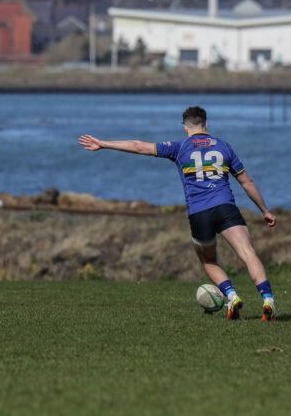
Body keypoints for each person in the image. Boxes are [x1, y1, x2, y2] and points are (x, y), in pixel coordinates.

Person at [79, 106, 278, 320]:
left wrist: (104, 144)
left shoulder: (179, 147)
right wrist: (265, 211)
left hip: (199, 213)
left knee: (209, 261)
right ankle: (268, 300)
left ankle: (232, 296)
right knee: (248, 253)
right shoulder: (224, 147)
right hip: (226, 207)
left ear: (185, 127)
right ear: (206, 125)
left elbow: (138, 146)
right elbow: (247, 182)